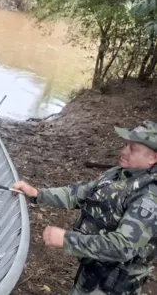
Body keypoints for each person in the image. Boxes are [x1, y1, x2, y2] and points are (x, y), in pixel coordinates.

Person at [13, 120, 157, 295]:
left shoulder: (149, 197)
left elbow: (123, 247)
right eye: (125, 144)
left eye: (132, 149)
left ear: (153, 158)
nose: (123, 151)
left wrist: (67, 239)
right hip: (92, 270)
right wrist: (37, 193)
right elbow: (78, 194)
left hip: (114, 285)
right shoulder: (117, 174)